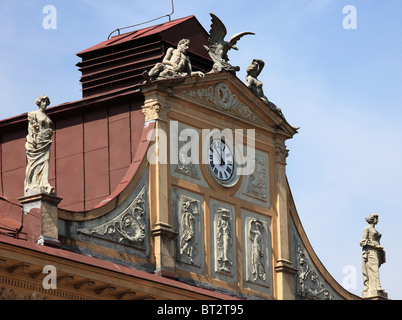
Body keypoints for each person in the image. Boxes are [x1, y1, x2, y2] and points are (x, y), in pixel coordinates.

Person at [24, 95, 54, 195]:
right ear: (39, 102)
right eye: (43, 102)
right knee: (35, 163)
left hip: (46, 142)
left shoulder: (47, 117)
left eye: (46, 102)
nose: (45, 104)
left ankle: (44, 183)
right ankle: (34, 183)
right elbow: (31, 129)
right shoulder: (33, 114)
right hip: (37, 142)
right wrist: (32, 141)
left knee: (45, 161)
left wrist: (50, 132)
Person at [360, 213, 386, 296]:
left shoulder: (376, 230)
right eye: (376, 218)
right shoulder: (367, 228)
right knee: (374, 269)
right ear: (372, 219)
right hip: (370, 251)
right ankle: (376, 287)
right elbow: (362, 241)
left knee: (375, 269)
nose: (377, 220)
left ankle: (375, 286)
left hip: (377, 251)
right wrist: (375, 245)